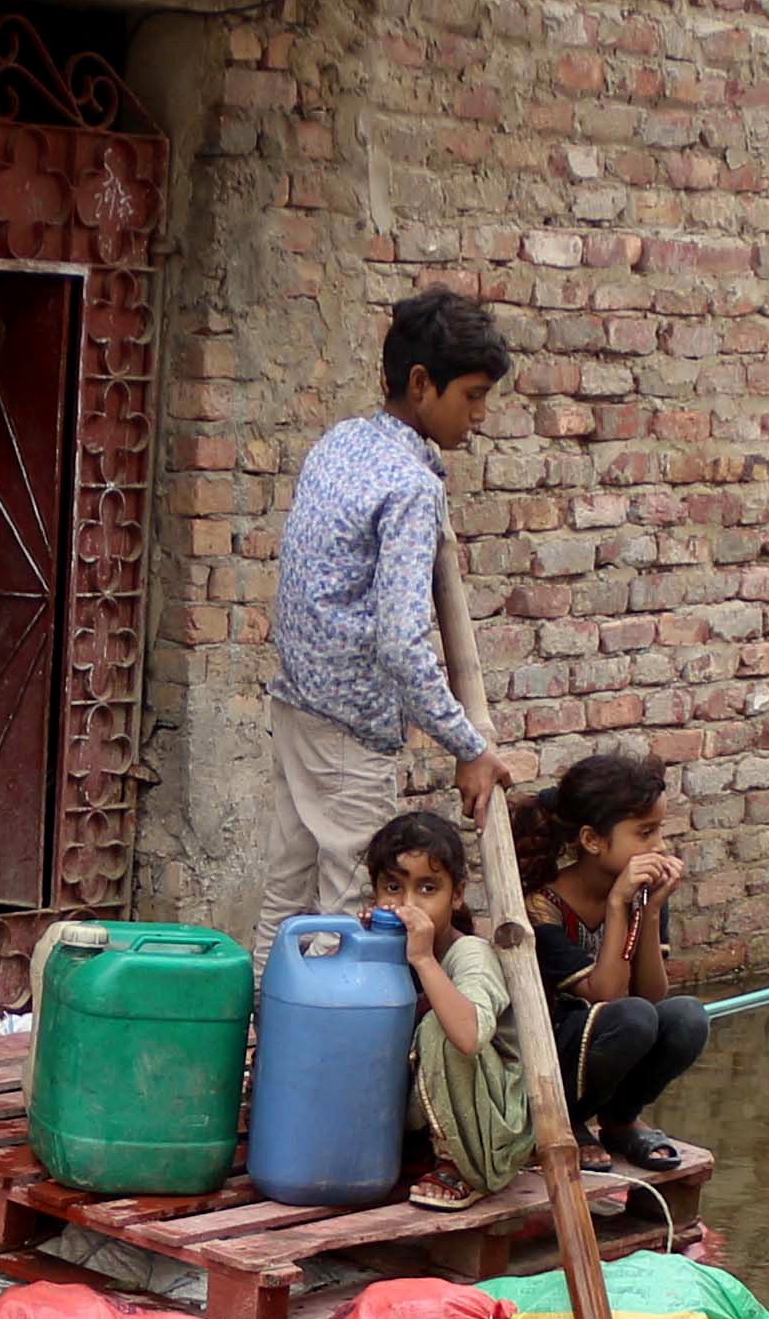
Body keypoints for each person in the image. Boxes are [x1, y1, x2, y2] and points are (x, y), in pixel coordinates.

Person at [260, 287, 518, 933]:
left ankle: (262, 1032)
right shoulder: (411, 488)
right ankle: (333, 1037)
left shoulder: (341, 442)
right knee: (352, 916)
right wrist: (469, 744)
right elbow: (402, 644)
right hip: (350, 732)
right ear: (422, 384)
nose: (481, 415)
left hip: (297, 706)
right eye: (473, 395)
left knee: (284, 903)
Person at [515, 749, 708, 1174]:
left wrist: (651, 911)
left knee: (688, 1017)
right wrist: (620, 906)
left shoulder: (642, 894)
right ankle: (568, 1121)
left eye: (659, 831)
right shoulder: (541, 908)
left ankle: (620, 1119)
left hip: (618, 1032)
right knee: (631, 1018)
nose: (658, 847)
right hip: (550, 1059)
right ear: (592, 840)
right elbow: (605, 996)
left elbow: (653, 996)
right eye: (645, 833)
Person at [363, 807, 531, 1210]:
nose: (407, 905)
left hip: (491, 1128)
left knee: (443, 1027)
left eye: (427, 889)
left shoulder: (470, 954)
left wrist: (423, 959)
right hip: (421, 1112)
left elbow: (469, 1036)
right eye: (392, 888)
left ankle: (459, 1167)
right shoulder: (383, 946)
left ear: (456, 895)